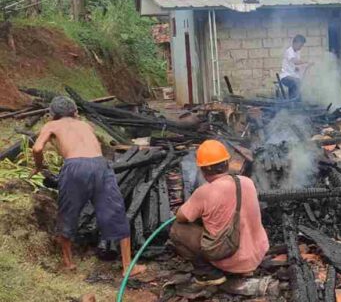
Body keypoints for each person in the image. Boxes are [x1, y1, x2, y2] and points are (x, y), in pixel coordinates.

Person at [29, 96, 146, 276]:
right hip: (100, 165)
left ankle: (68, 263)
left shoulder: (51, 125)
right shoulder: (86, 124)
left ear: (51, 114)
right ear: (75, 112)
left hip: (74, 166)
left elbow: (37, 149)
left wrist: (38, 166)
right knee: (116, 212)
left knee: (67, 213)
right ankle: (127, 267)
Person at [169, 140, 268, 286]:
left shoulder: (204, 192)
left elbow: (181, 217)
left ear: (203, 169)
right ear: (227, 163)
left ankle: (208, 274)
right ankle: (246, 269)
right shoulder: (247, 182)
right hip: (257, 254)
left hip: (231, 259)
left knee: (177, 230)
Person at [279, 34, 313, 99]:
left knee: (299, 83)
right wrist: (306, 62)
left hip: (293, 76)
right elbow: (295, 62)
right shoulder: (289, 51)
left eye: (302, 46)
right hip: (285, 76)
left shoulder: (297, 52)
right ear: (295, 43)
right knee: (296, 83)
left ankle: (294, 103)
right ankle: (293, 102)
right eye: (300, 45)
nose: (301, 47)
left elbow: (296, 67)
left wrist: (306, 66)